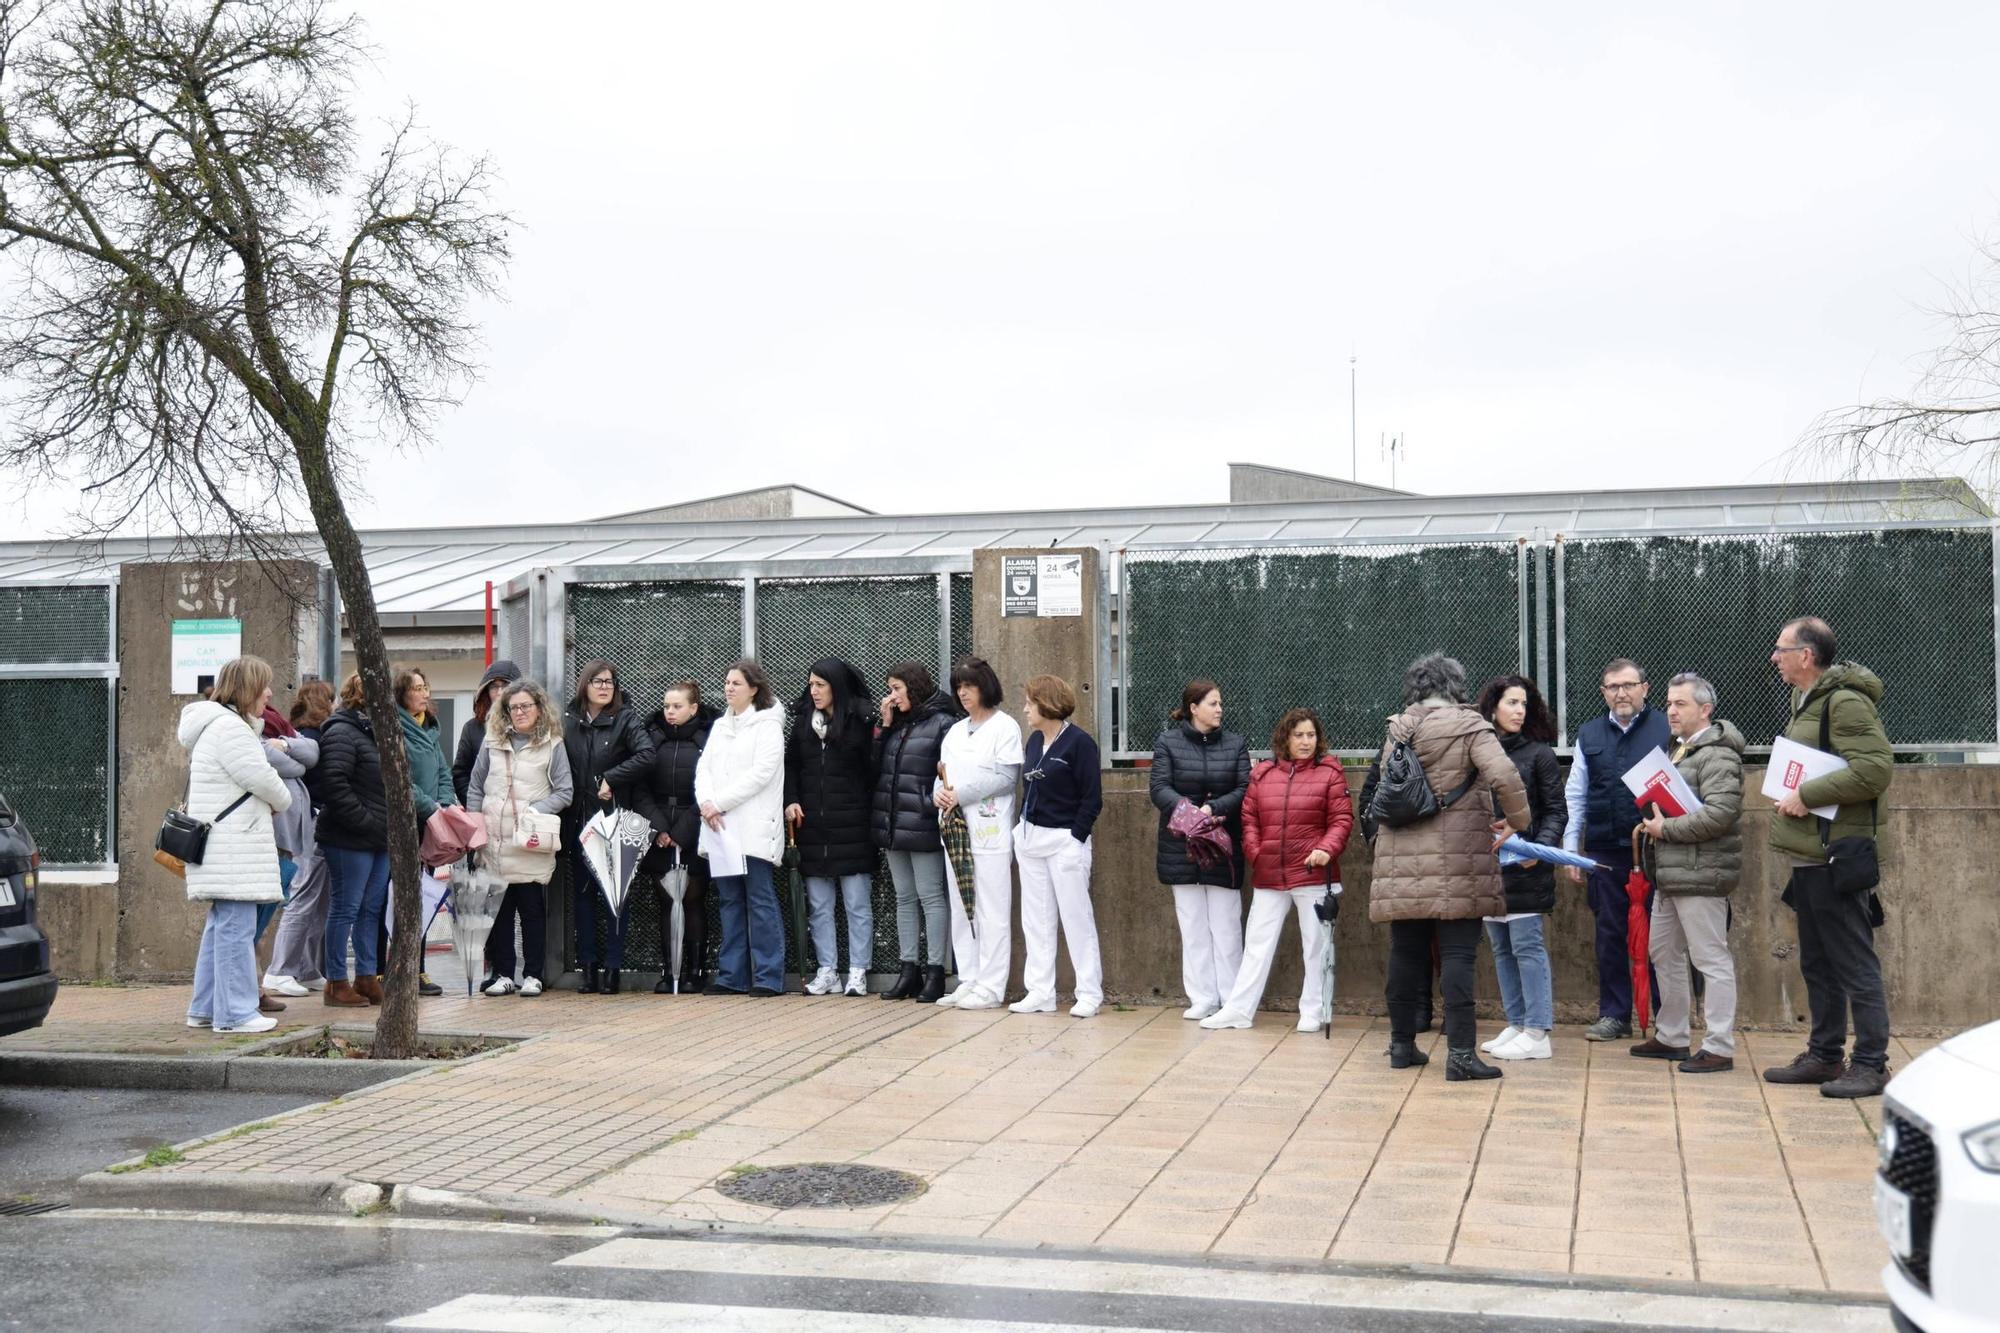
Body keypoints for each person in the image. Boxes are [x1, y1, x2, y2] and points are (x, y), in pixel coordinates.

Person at [1363, 653, 1530, 1080]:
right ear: (1457, 687)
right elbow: (1506, 777)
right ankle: (1459, 1056)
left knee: (1405, 951)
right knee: (1458, 955)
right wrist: (1519, 821)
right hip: (1459, 855)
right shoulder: (1471, 726)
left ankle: (1402, 1045)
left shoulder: (1398, 729)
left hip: (1401, 853)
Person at [1763, 616, 1895, 1099]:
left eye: (1781, 649)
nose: (1774, 658)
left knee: (1854, 963)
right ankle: (1824, 1056)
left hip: (1837, 855)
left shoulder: (1844, 703)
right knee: (1817, 963)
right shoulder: (1807, 702)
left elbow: (1876, 769)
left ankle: (1871, 1063)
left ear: (1807, 655)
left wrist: (1807, 793)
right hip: (1809, 856)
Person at [1201, 707, 1351, 1032]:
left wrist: (1325, 849)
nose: (1306, 741)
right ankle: (1239, 1011)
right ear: (1285, 737)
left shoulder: (1330, 772)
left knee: (1315, 947)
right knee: (1257, 944)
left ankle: (1313, 1012)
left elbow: (1341, 820)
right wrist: (1256, 853)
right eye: (1299, 735)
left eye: (1311, 735)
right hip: (1269, 874)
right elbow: (1249, 818)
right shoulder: (1263, 774)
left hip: (1312, 874)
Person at [1633, 673, 1745, 1073]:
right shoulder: (1677, 751)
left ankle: (1719, 1045)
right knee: (1663, 953)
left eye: (1681, 704)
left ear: (1705, 710)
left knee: (1710, 959)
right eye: (1668, 703)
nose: (1672, 711)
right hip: (1670, 873)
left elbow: (1721, 814)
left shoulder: (1719, 755)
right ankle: (1672, 1035)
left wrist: (1667, 829)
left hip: (1702, 874)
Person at [1560, 657, 1672, 1041]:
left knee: (1661, 936)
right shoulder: (1589, 734)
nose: (1621, 693)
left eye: (1628, 685)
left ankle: (1667, 1017)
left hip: (1658, 848)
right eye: (1613, 687)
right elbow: (1575, 794)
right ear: (1604, 693)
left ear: (1645, 687)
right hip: (1604, 850)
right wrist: (1572, 848)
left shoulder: (1667, 727)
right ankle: (1614, 1015)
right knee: (1609, 933)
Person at [180, 656, 293, 1036]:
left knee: (222, 927)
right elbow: (263, 778)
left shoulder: (217, 726)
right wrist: (284, 798)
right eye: (263, 686)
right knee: (235, 930)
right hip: (233, 848)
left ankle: (206, 1007)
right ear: (246, 689)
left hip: (225, 848)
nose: (269, 693)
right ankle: (235, 1014)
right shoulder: (231, 729)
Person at [1474, 674, 1565, 1062]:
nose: (1519, 710)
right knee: (1500, 947)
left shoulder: (1540, 754)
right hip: (1487, 869)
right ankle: (1516, 1023)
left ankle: (1538, 1030)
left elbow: (1556, 812)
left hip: (1528, 867)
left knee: (1527, 946)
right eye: (1512, 702)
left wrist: (1539, 850)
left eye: (1524, 704)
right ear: (1493, 707)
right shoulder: (1478, 753)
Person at [1149, 679, 1251, 1022]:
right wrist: (1189, 814)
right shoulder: (1168, 742)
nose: (1219, 709)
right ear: (1193, 707)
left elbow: (1243, 787)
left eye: (1221, 703)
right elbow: (1159, 787)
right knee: (1191, 923)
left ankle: (1232, 998)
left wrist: (1212, 810)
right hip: (1181, 845)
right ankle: (1202, 997)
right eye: (1212, 703)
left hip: (1222, 843)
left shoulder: (1236, 744)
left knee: (1226, 924)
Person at [466, 679, 573, 996]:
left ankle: (533, 975)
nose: (520, 712)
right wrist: (475, 825)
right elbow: (475, 786)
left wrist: (533, 811)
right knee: (498, 910)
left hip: (527, 840)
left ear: (539, 709)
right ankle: (502, 974)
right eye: (514, 707)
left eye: (526, 706)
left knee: (531, 911)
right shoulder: (492, 742)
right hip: (494, 841)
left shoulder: (552, 744)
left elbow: (565, 791)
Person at [1010, 674, 1105, 1018]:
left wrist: (1075, 838)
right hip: (1032, 841)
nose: (1025, 709)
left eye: (1030, 703)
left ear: (1046, 704)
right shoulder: (1034, 742)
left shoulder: (1080, 743)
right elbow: (1029, 789)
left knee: (1076, 917)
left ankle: (1089, 992)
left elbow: (1093, 798)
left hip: (1065, 841)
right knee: (1036, 919)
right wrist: (1020, 828)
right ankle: (1040, 991)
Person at [932, 657, 1024, 1011]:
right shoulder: (955, 731)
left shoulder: (1005, 727)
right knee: (960, 906)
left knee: (992, 909)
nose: (963, 692)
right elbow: (941, 774)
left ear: (985, 686)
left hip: (989, 831)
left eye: (969, 685)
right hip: (955, 831)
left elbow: (1005, 779)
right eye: (958, 687)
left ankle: (991, 985)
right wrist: (936, 794)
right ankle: (968, 978)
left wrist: (961, 794)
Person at [784, 659, 878, 998]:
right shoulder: (801, 724)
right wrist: (791, 799)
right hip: (812, 828)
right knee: (820, 905)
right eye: (810, 684)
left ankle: (857, 971)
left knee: (856, 903)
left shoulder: (861, 721)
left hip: (853, 826)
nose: (814, 691)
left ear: (836, 686)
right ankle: (827, 971)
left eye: (820, 685)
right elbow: (791, 766)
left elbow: (873, 769)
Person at [562, 660, 656, 994]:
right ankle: (588, 968)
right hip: (577, 821)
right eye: (598, 681)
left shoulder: (625, 718)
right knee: (583, 896)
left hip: (614, 820)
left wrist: (612, 778)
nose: (605, 687)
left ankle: (613, 969)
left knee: (616, 897)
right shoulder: (568, 720)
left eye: (610, 682)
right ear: (584, 684)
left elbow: (647, 755)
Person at [871, 661, 960, 1003]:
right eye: (890, 689)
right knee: (904, 897)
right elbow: (875, 768)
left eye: (896, 689)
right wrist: (885, 725)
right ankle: (909, 969)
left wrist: (927, 801)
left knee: (930, 895)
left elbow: (947, 772)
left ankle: (936, 970)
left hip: (923, 822)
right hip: (893, 823)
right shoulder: (898, 725)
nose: (891, 696)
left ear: (914, 687)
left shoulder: (942, 723)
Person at [696, 660, 787, 996]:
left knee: (760, 900)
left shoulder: (768, 726)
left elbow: (761, 774)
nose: (729, 688)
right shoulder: (720, 726)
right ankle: (732, 976)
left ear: (754, 689)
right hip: (719, 828)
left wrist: (718, 803)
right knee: (730, 901)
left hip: (752, 828)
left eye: (736, 683)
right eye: (727, 682)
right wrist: (706, 803)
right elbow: (703, 769)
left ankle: (768, 977)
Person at [638, 681, 720, 994]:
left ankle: (696, 971)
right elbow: (640, 786)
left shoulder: (708, 739)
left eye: (677, 706)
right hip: (659, 827)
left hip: (695, 826)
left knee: (693, 898)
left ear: (694, 708)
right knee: (666, 900)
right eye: (667, 706)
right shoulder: (652, 738)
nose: (670, 712)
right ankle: (670, 968)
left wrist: (683, 831)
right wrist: (659, 827)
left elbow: (711, 786)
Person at [315, 673, 390, 1007]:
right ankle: (335, 982)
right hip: (349, 838)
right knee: (346, 908)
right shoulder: (342, 731)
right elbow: (334, 783)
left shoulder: (374, 732)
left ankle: (366, 976)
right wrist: (365, 821)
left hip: (377, 838)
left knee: (370, 909)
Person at [265, 679, 335, 996]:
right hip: (311, 827)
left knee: (318, 902)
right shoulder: (308, 735)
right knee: (304, 898)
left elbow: (309, 759)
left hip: (316, 825)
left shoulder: (300, 735)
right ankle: (280, 969)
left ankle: (306, 968)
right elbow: (304, 765)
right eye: (331, 701)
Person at [395, 667, 459, 997]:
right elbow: (401, 779)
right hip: (408, 823)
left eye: (426, 686)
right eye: (417, 688)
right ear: (401, 694)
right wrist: (429, 806)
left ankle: (419, 969)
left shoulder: (430, 728)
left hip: (432, 825)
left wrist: (445, 804)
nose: (425, 694)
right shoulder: (396, 728)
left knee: (425, 898)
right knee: (400, 899)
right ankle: (389, 970)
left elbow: (443, 771)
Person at [253, 702, 319, 1011]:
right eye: (262, 687)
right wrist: (293, 758)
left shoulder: (272, 719)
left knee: (267, 912)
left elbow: (311, 753)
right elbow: (294, 766)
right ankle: (264, 981)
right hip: (270, 839)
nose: (268, 693)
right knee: (249, 922)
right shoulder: (243, 727)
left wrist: (286, 747)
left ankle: (253, 990)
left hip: (288, 840)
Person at [454, 659, 520, 804]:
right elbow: (461, 774)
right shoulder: (472, 728)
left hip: (523, 810)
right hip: (485, 811)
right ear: (486, 692)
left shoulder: (528, 726)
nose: (500, 692)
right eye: (494, 687)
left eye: (506, 685)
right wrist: (476, 808)